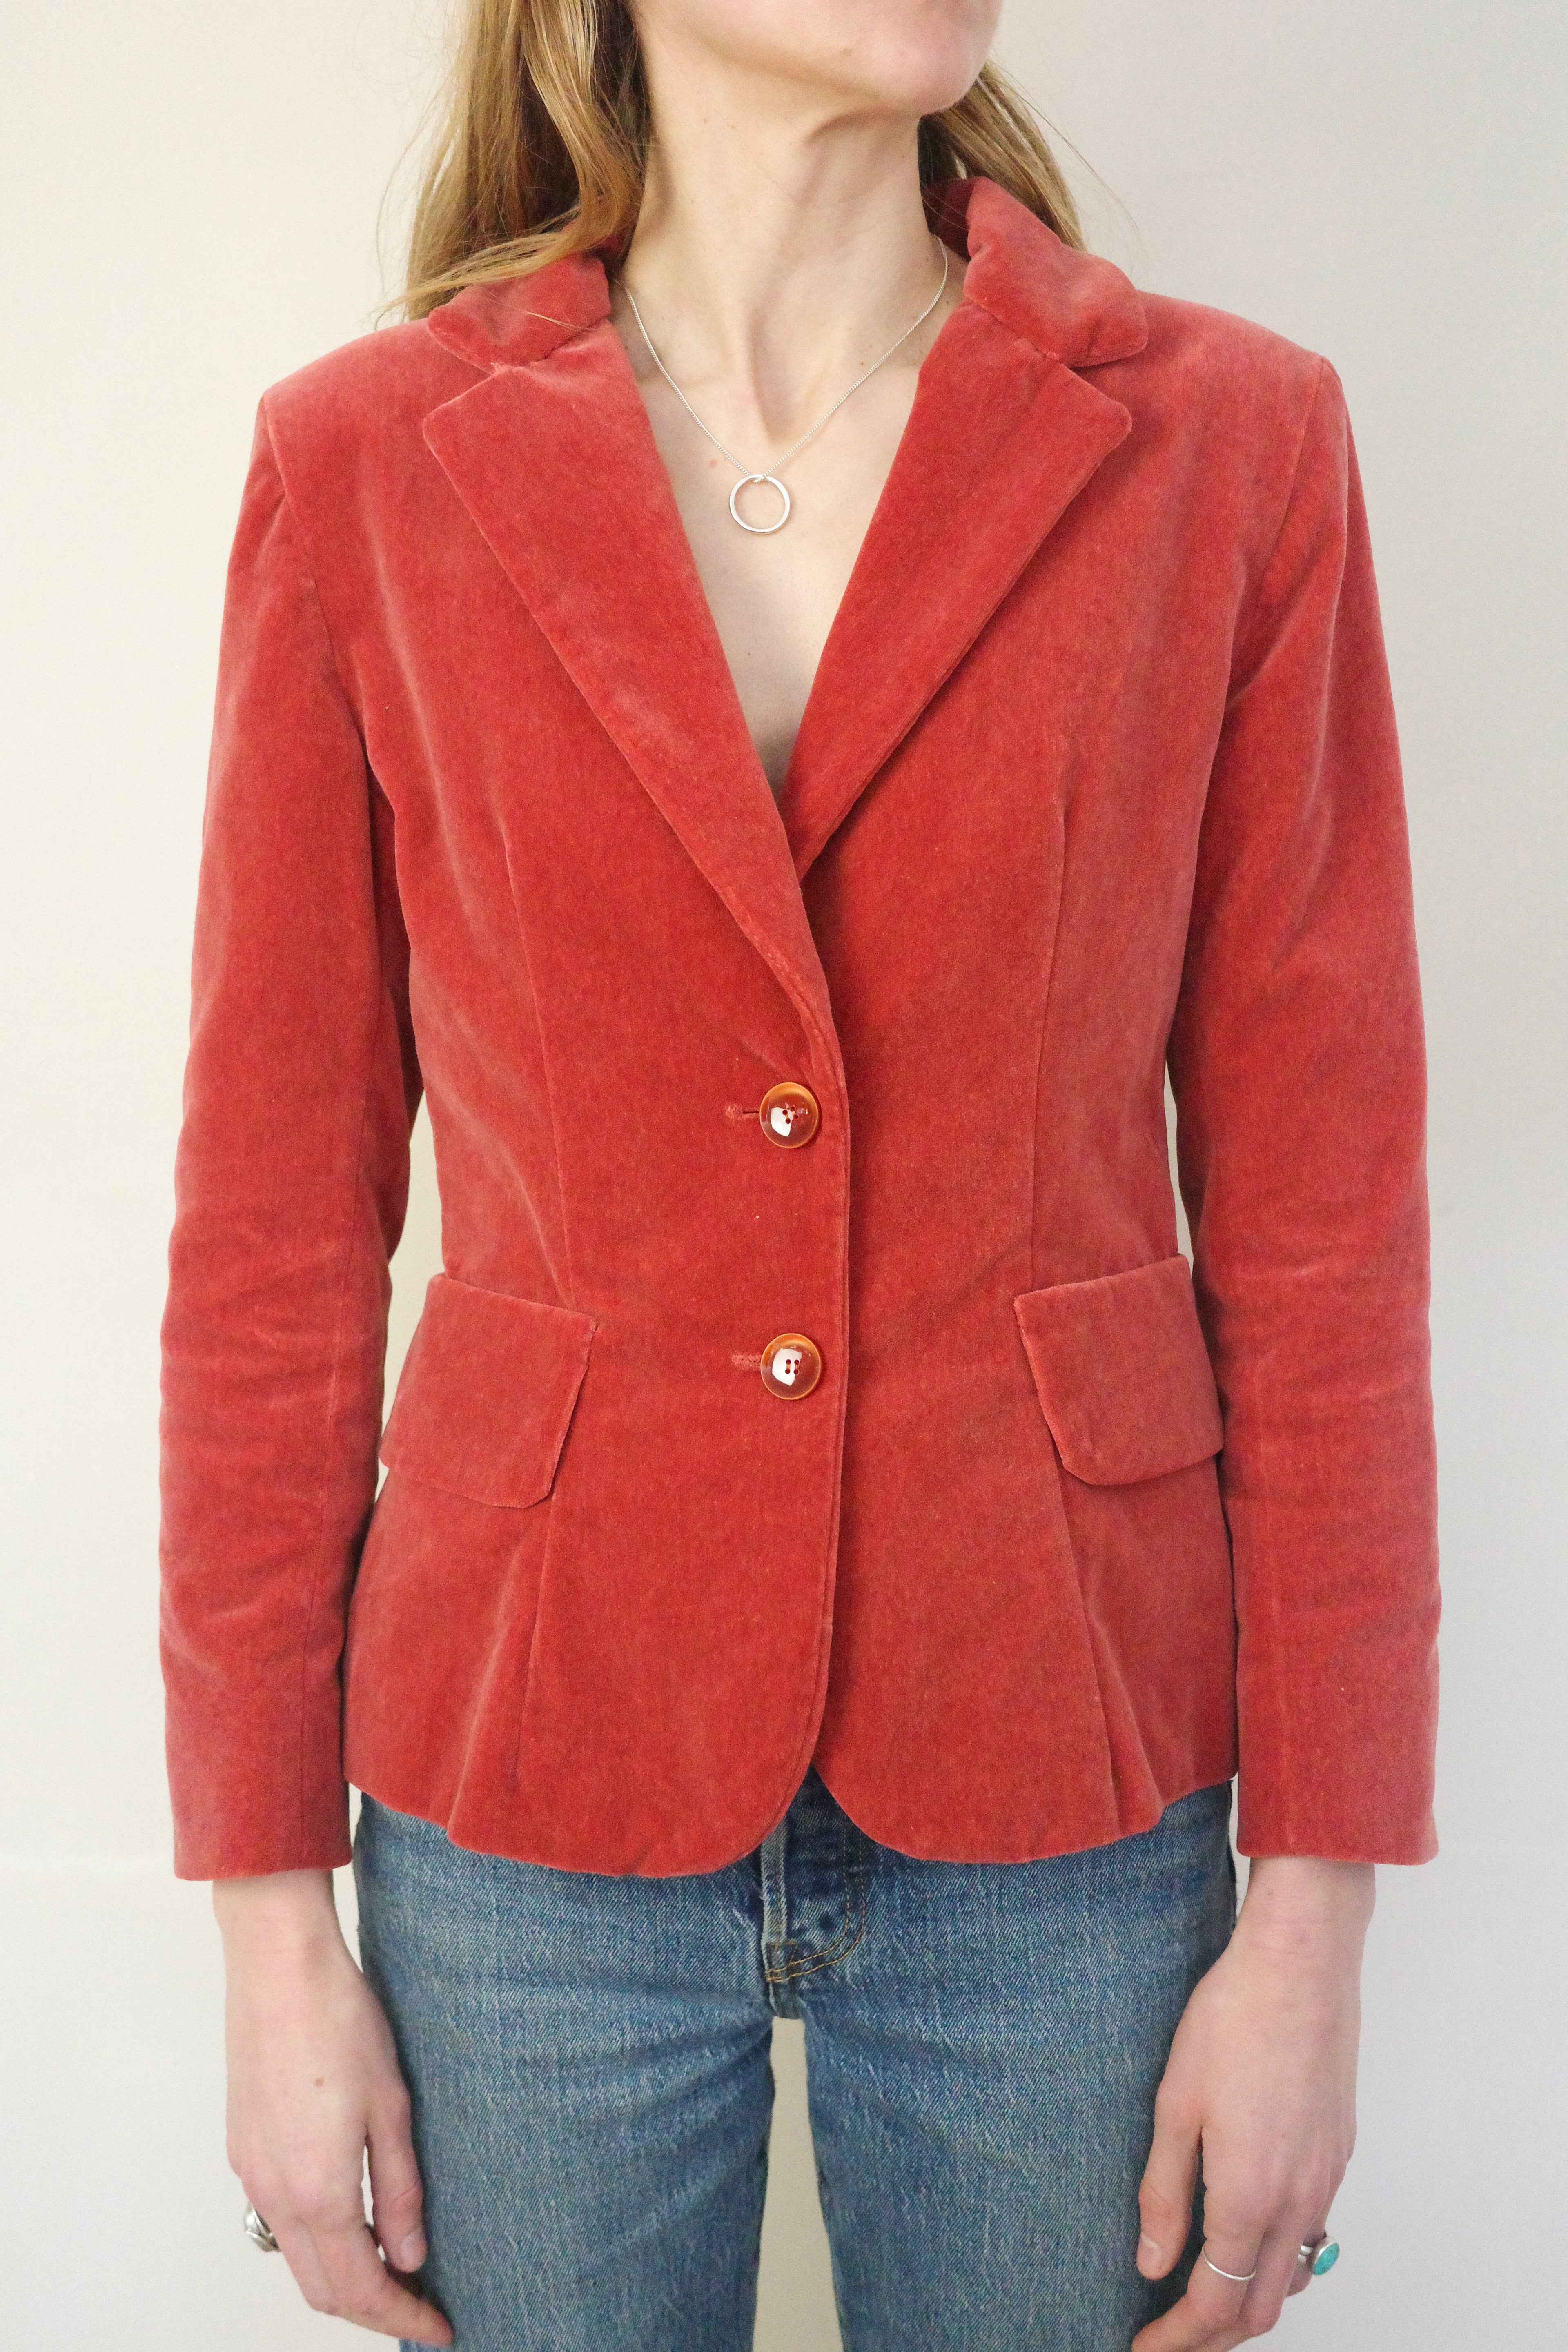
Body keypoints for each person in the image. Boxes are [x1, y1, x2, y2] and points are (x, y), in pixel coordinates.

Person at [158, 4, 1441, 2348]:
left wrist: (1316, 1920)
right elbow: (271, 1240)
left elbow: (1323, 1234)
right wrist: (266, 1928)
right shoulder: (367, 465)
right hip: (530, 1756)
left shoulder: (1229, 442)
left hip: (1064, 1757)